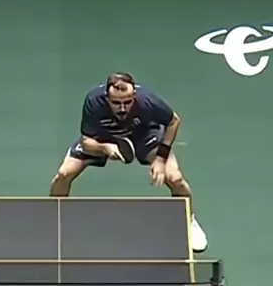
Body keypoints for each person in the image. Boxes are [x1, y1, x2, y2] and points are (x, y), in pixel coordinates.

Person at [49, 72, 207, 253]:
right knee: (64, 174)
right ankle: (53, 217)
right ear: (106, 97)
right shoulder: (93, 101)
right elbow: (86, 142)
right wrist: (105, 148)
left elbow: (173, 121)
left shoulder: (148, 101)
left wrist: (161, 158)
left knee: (175, 178)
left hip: (144, 136)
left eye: (127, 102)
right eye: (116, 103)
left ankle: (189, 221)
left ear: (134, 95)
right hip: (104, 138)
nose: (122, 108)